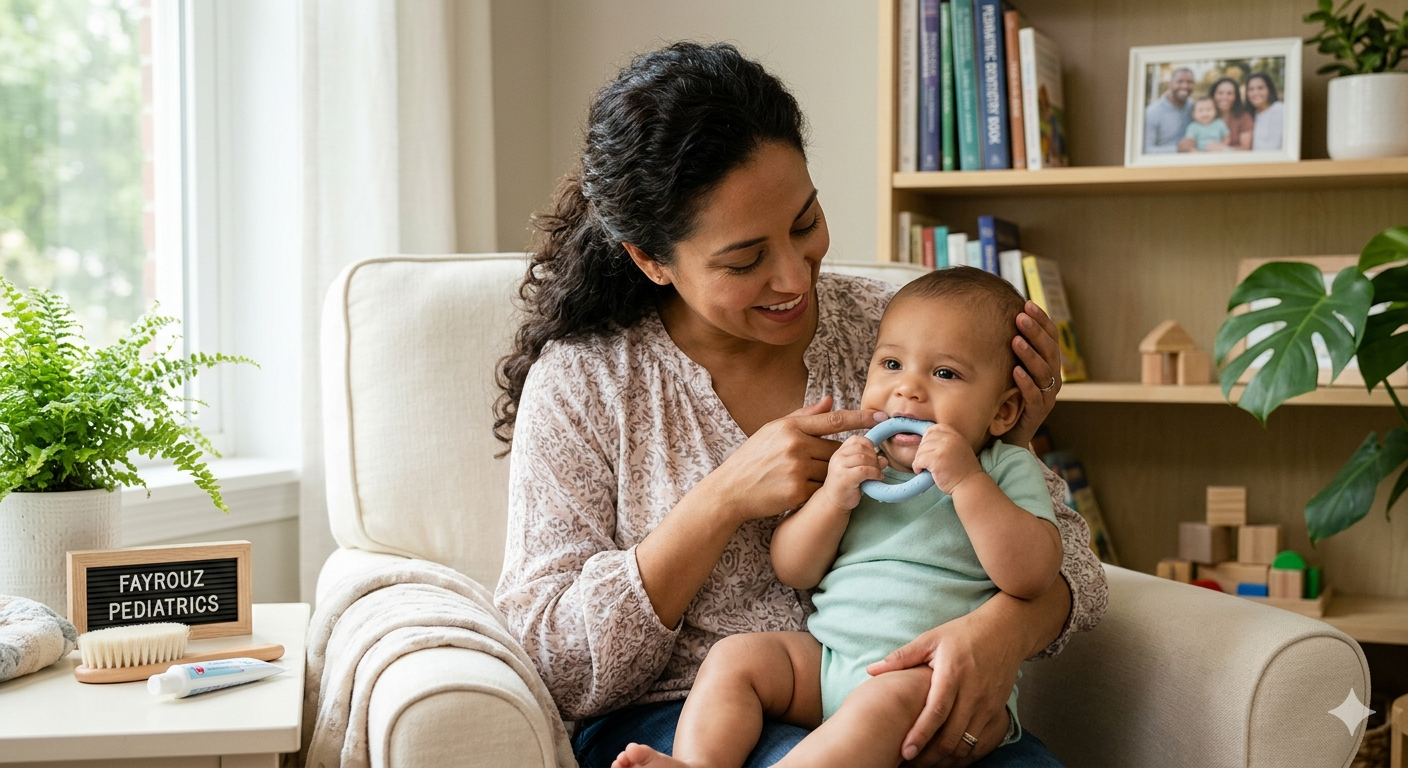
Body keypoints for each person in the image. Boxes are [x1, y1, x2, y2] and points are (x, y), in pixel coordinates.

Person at [492, 42, 1108, 768]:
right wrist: (721, 499)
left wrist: (1000, 633)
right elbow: (553, 660)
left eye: (806, 222)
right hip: (690, 717)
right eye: (745, 260)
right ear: (651, 259)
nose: (794, 277)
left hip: (923, 685)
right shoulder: (587, 382)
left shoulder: (905, 332)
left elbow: (1075, 567)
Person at [611, 268, 1063, 768]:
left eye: (945, 374)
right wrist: (832, 498)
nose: (908, 390)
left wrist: (967, 482)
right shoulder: (861, 466)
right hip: (830, 663)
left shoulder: (1003, 468)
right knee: (736, 658)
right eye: (891, 364)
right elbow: (794, 568)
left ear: (1003, 412)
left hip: (931, 683)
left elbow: (1032, 575)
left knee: (880, 703)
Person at [1144, 67, 1194, 154]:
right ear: (1170, 84)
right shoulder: (1152, 112)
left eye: (1189, 82)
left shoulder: (1195, 107)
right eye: (1180, 82)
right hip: (1163, 161)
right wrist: (1177, 149)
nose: (1185, 86)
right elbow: (1146, 150)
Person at [1207, 77, 1254, 151]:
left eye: (1229, 93)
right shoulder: (1204, 116)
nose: (1224, 97)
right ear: (1213, 95)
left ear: (1236, 96)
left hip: (1236, 158)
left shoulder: (1244, 117)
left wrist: (1224, 150)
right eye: (1220, 93)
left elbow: (1246, 148)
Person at [1247, 72, 1284, 151]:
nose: (1255, 93)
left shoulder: (1280, 109)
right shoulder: (1250, 115)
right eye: (1251, 89)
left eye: (1260, 88)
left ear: (1269, 89)